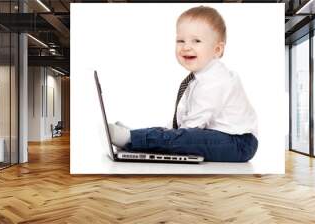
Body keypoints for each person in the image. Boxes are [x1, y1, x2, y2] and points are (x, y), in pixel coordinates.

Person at [108, 6, 258, 162]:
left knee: (184, 138)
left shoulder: (216, 80)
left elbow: (191, 128)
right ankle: (137, 137)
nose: (186, 47)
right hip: (223, 139)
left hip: (238, 143)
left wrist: (171, 138)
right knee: (176, 135)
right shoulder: (199, 78)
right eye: (181, 40)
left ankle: (133, 139)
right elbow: (181, 123)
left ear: (217, 50)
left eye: (196, 41)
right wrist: (167, 134)